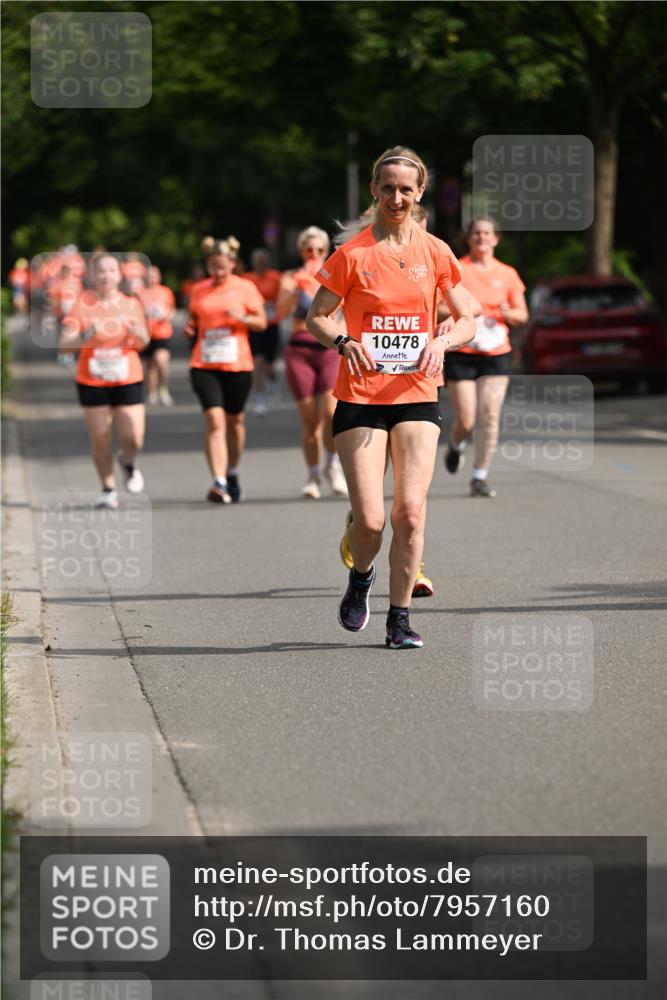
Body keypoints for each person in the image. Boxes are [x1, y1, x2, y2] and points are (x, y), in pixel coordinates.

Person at [306, 145, 474, 649]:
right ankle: (361, 577)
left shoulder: (436, 251)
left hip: (417, 393)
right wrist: (344, 341)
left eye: (406, 190)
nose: (396, 198)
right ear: (374, 191)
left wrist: (442, 342)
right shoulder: (352, 254)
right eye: (388, 189)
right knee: (372, 521)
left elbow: (467, 318)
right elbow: (316, 317)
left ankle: (399, 620)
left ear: (419, 192)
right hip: (360, 396)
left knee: (410, 514)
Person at [443, 217, 528, 497]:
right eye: (476, 233)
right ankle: (456, 444)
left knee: (490, 416)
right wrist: (453, 315)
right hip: (463, 352)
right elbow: (440, 306)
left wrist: (506, 312)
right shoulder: (458, 268)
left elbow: (522, 314)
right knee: (467, 420)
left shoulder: (507, 273)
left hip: (496, 352)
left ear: (496, 238)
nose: (481, 237)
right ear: (468, 238)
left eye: (487, 233)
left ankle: (479, 476)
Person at [58, 253, 149, 509]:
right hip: (92, 380)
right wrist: (85, 336)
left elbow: (144, 342)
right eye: (101, 271)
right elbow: (64, 346)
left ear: (119, 275)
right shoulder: (81, 305)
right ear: (92, 275)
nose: (106, 275)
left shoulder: (131, 303)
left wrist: (138, 333)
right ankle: (108, 488)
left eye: (111, 270)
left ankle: (128, 462)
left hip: (128, 377)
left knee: (134, 437)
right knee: (101, 436)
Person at [186, 236, 267, 504]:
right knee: (214, 421)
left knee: (235, 423)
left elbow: (262, 322)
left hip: (237, 364)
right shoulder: (199, 289)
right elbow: (194, 319)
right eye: (212, 267)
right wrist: (190, 328)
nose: (218, 272)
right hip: (204, 363)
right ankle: (218, 481)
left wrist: (242, 318)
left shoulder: (245, 288)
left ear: (233, 264)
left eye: (222, 267)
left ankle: (232, 471)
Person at [277, 227, 347, 499]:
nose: (313, 254)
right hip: (300, 350)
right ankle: (313, 474)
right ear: (301, 251)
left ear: (326, 252)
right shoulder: (290, 277)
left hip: (329, 349)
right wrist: (297, 288)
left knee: (331, 413)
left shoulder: (335, 274)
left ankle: (332, 464)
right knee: (309, 419)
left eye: (319, 249)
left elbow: (348, 309)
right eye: (308, 249)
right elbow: (280, 311)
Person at [245, 248, 282, 415]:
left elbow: (284, 297)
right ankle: (259, 397)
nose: (260, 264)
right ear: (253, 263)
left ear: (267, 262)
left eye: (263, 261)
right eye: (257, 261)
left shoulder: (276, 277)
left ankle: (273, 381)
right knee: (257, 361)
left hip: (271, 324)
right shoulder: (247, 279)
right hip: (254, 325)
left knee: (268, 364)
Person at [139, 265, 176, 405]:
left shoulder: (165, 291)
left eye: (154, 275)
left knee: (161, 360)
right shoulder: (139, 293)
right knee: (150, 366)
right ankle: (152, 392)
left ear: (159, 277)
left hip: (162, 332)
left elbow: (172, 310)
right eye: (149, 275)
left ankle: (163, 388)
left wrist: (167, 316)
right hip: (146, 334)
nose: (151, 278)